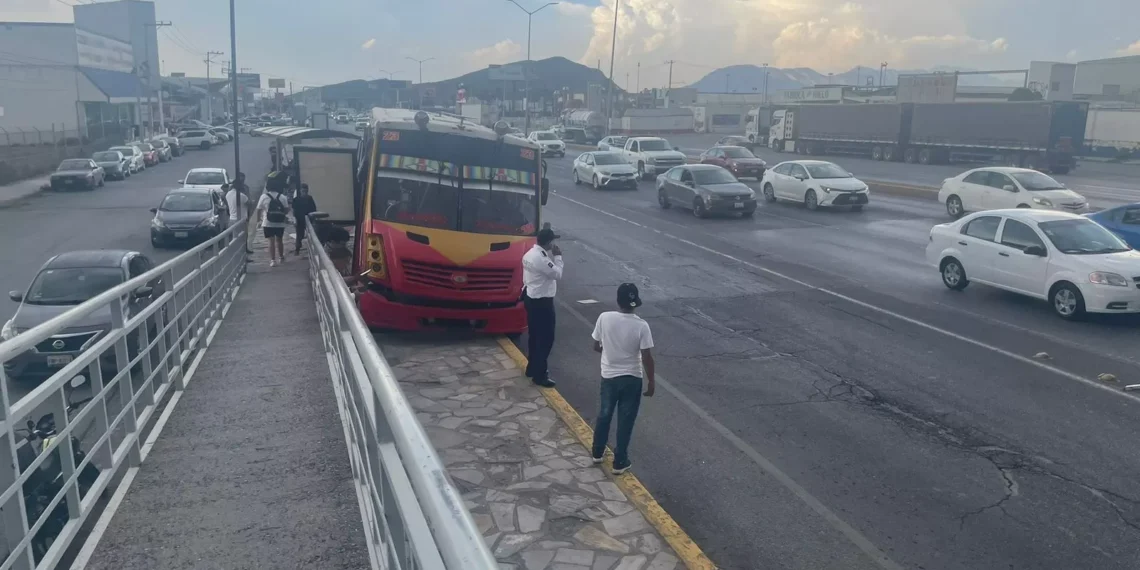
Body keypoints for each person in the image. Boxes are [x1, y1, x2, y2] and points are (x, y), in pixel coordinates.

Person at [590, 283, 655, 475]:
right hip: (632, 378)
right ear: (635, 304)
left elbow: (595, 346)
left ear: (618, 301)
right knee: (626, 420)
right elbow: (647, 357)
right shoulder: (642, 326)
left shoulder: (605, 318)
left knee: (604, 414)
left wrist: (609, 352)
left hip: (609, 377)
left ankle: (597, 452)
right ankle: (620, 461)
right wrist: (651, 381)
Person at [521, 227, 563, 388]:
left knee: (534, 336)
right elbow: (557, 274)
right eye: (553, 241)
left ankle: (531, 368)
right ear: (548, 242)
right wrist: (558, 256)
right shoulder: (542, 259)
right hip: (542, 302)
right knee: (545, 339)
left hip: (531, 297)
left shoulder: (529, 254)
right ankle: (540, 374)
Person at [256, 171, 291, 267]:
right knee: (279, 240)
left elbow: (259, 210)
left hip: (267, 222)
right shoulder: (282, 197)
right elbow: (287, 210)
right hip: (280, 222)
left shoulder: (264, 197)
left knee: (270, 241)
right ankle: (281, 257)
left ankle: (272, 260)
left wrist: (258, 221)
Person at [291, 183, 317, 255]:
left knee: (311, 235)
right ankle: (297, 249)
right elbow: (294, 211)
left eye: (306, 191)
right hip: (299, 219)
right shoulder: (296, 199)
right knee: (299, 235)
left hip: (309, 219)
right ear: (300, 191)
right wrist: (294, 219)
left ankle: (311, 250)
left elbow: (314, 209)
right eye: (303, 191)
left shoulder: (309, 198)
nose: (304, 193)